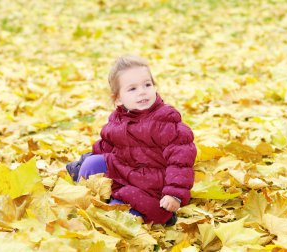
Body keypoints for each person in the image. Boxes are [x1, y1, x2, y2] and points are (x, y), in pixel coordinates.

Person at [67, 55, 197, 225]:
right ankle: (87, 196)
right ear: (118, 99)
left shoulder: (165, 120)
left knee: (118, 215)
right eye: (132, 89)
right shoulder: (118, 118)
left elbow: (181, 160)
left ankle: (153, 212)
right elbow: (107, 145)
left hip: (151, 186)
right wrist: (87, 159)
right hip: (124, 170)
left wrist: (174, 193)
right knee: (92, 164)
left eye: (147, 85)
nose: (142, 91)